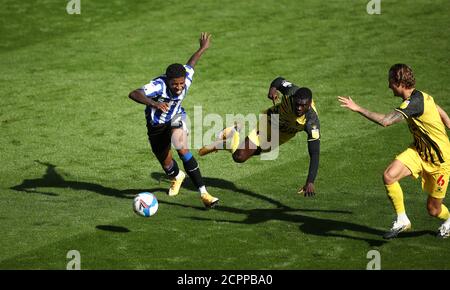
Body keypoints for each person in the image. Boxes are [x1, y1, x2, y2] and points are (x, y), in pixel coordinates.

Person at [338, 63, 450, 239]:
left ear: (399, 83)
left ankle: (449, 219)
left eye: (390, 81)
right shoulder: (421, 97)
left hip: (439, 162)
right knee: (389, 175)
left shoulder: (414, 103)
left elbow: (386, 121)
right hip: (419, 152)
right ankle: (402, 219)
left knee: (433, 210)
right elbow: (437, 109)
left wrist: (358, 108)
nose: (388, 85)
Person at [128, 32, 219, 208]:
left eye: (181, 83)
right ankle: (177, 176)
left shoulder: (186, 78)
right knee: (167, 164)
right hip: (156, 127)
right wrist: (153, 103)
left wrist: (202, 48)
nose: (178, 87)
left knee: (181, 147)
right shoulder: (158, 85)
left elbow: (191, 63)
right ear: (167, 81)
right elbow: (134, 93)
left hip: (177, 117)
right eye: (174, 84)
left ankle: (204, 193)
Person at [199, 77, 321, 196]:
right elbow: (278, 81)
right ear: (294, 98)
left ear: (309, 104)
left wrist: (310, 181)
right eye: (297, 104)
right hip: (270, 121)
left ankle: (226, 140)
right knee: (239, 157)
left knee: (251, 152)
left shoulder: (312, 122)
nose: (299, 108)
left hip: (283, 134)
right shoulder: (292, 92)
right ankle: (233, 133)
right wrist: (272, 90)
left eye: (303, 105)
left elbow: (314, 153)